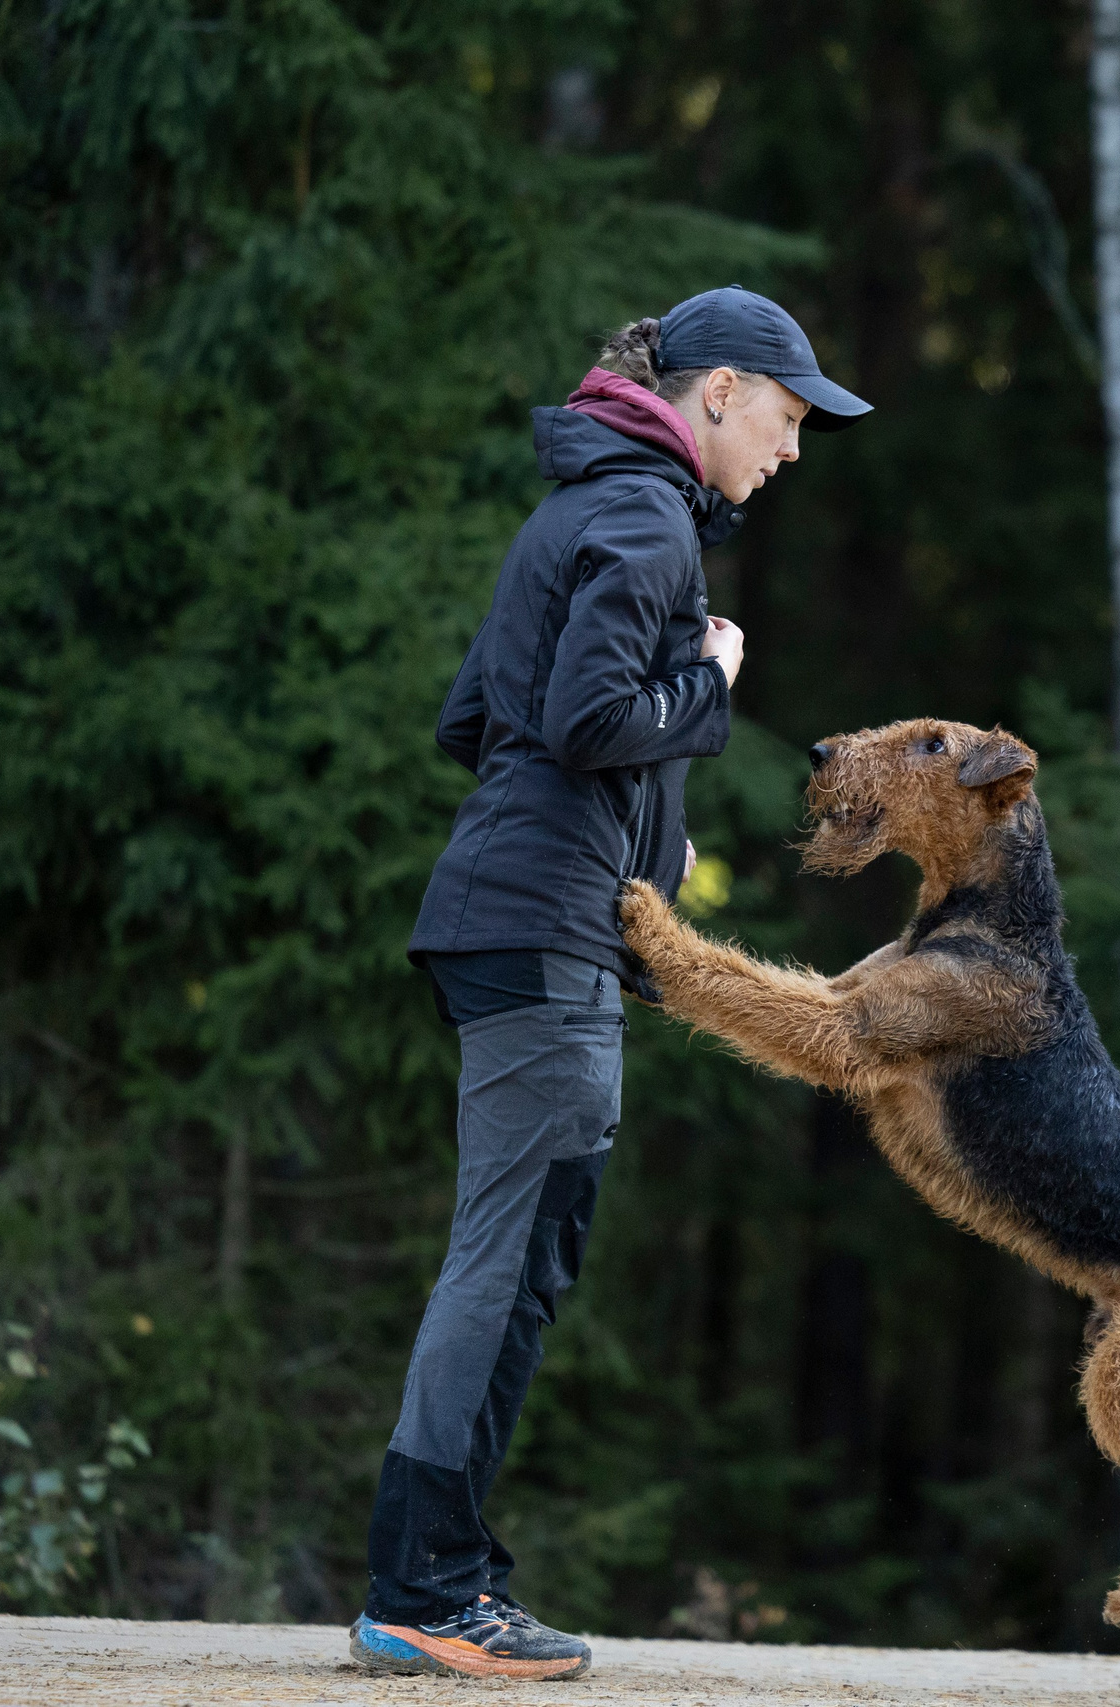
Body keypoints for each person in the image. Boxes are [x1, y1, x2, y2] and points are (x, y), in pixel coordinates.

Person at [351, 287, 870, 1680]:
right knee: (506, 1262)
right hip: (539, 935)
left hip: (511, 917)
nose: (797, 444)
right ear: (717, 394)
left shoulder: (584, 507)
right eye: (789, 412)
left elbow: (482, 719)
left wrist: (642, 820)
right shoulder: (644, 520)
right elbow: (584, 721)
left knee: (514, 1258)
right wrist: (707, 678)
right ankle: (428, 1591)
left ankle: (435, 1582)